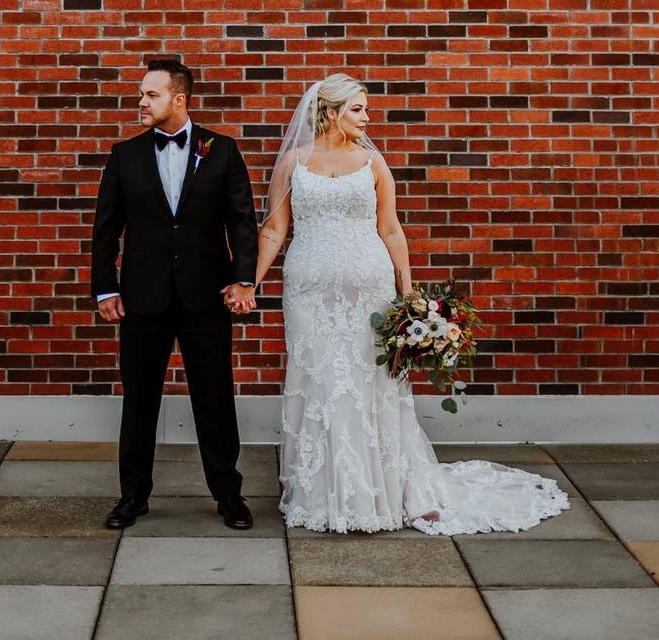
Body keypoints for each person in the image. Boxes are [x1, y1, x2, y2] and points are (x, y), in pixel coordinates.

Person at [239, 74, 570, 534]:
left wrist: (409, 294)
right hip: (309, 294)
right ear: (331, 112)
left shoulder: (373, 163)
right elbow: (274, 229)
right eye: (359, 109)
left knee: (372, 386)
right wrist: (249, 283)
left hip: (369, 290)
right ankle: (322, 495)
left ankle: (388, 493)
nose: (368, 117)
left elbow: (391, 229)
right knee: (317, 385)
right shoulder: (294, 162)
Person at [91, 59, 258, 530]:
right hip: (142, 297)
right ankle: (132, 497)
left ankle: (229, 496)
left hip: (206, 296)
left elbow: (242, 221)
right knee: (139, 400)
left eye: (151, 95)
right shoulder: (124, 156)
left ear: (179, 99)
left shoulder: (221, 151)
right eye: (142, 94)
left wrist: (244, 279)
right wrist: (105, 286)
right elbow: (106, 229)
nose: (141, 102)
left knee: (215, 398)